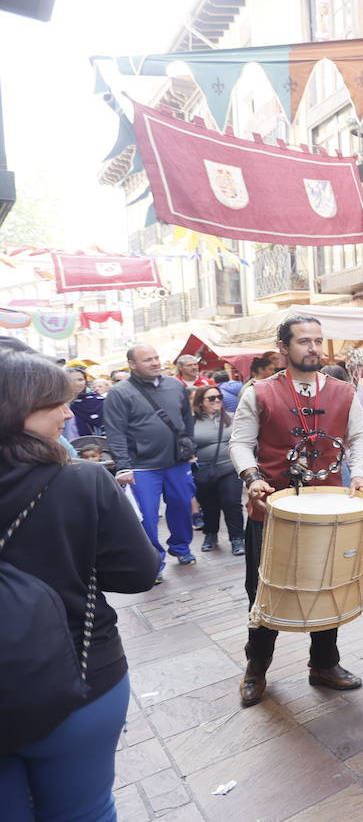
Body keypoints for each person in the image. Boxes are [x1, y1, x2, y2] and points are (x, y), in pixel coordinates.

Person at [0, 351, 160, 820]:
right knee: (84, 810)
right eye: (56, 403)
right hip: (81, 672)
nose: (69, 414)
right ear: (17, 408)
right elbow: (138, 572)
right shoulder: (82, 480)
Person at [229, 314, 363, 707]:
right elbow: (240, 443)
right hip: (272, 509)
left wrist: (359, 474)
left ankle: (324, 663)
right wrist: (252, 477)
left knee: (328, 583)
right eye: (304, 341)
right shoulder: (259, 392)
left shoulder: (344, 392)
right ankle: (256, 667)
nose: (313, 348)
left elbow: (360, 437)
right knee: (262, 590)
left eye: (318, 341)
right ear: (283, 347)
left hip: (329, 509)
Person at [103, 344, 198, 579]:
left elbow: (186, 420)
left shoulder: (175, 385)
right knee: (146, 516)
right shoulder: (119, 393)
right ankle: (154, 561)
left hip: (177, 462)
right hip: (141, 467)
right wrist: (123, 466)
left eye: (156, 358)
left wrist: (189, 448)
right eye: (147, 360)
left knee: (182, 505)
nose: (155, 363)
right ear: (132, 364)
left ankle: (181, 548)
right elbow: (115, 432)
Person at [190, 385, 244, 555]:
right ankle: (210, 535)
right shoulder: (191, 422)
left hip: (229, 468)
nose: (217, 400)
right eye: (211, 398)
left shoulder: (232, 418)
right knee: (209, 505)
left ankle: (237, 538)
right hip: (203, 470)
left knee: (232, 503)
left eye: (219, 397)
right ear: (201, 402)